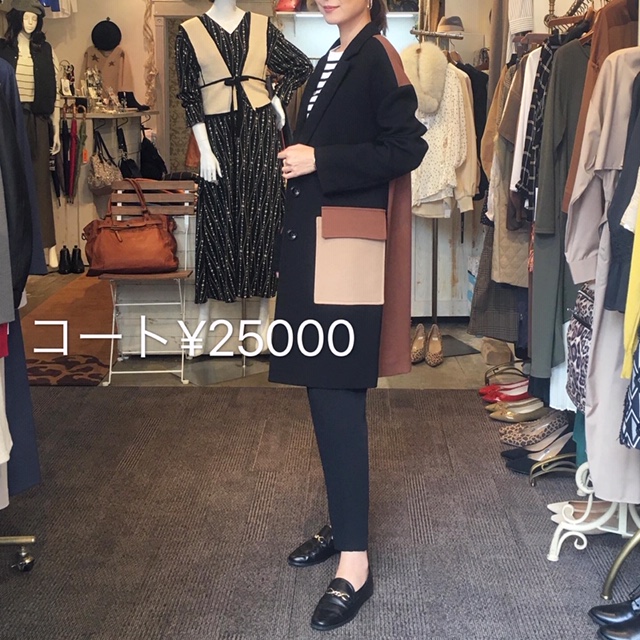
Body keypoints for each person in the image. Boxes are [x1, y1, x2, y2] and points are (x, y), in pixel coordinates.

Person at [267, 0, 428, 630]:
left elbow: (406, 147)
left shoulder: (378, 55)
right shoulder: (331, 56)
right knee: (322, 386)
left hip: (346, 248)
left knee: (336, 391)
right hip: (317, 242)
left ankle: (355, 564)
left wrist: (320, 160)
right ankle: (345, 522)